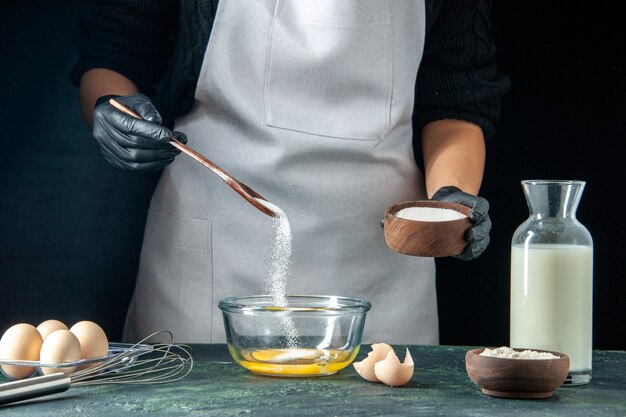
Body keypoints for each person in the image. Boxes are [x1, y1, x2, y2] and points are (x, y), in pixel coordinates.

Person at [71, 0, 510, 344]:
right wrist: (111, 109)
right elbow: (118, 45)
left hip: (378, 262)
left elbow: (456, 92)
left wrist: (451, 199)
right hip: (214, 249)